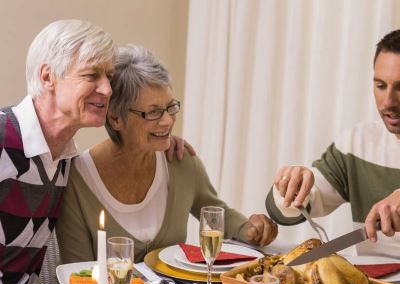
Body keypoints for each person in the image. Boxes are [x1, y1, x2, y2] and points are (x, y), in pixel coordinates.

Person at [56, 45, 278, 264]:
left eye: (171, 107)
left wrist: (249, 228)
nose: (168, 121)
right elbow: (76, 275)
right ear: (115, 118)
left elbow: (215, 212)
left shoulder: (180, 161)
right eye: (153, 112)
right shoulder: (77, 180)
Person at [0, 19, 117, 284]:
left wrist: (160, 138)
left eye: (109, 76)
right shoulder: (3, 138)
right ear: (47, 77)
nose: (108, 89)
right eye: (91, 76)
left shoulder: (64, 157)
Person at [265, 29, 400, 258]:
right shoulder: (356, 145)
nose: (388, 102)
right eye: (380, 86)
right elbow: (287, 213)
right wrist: (292, 187)